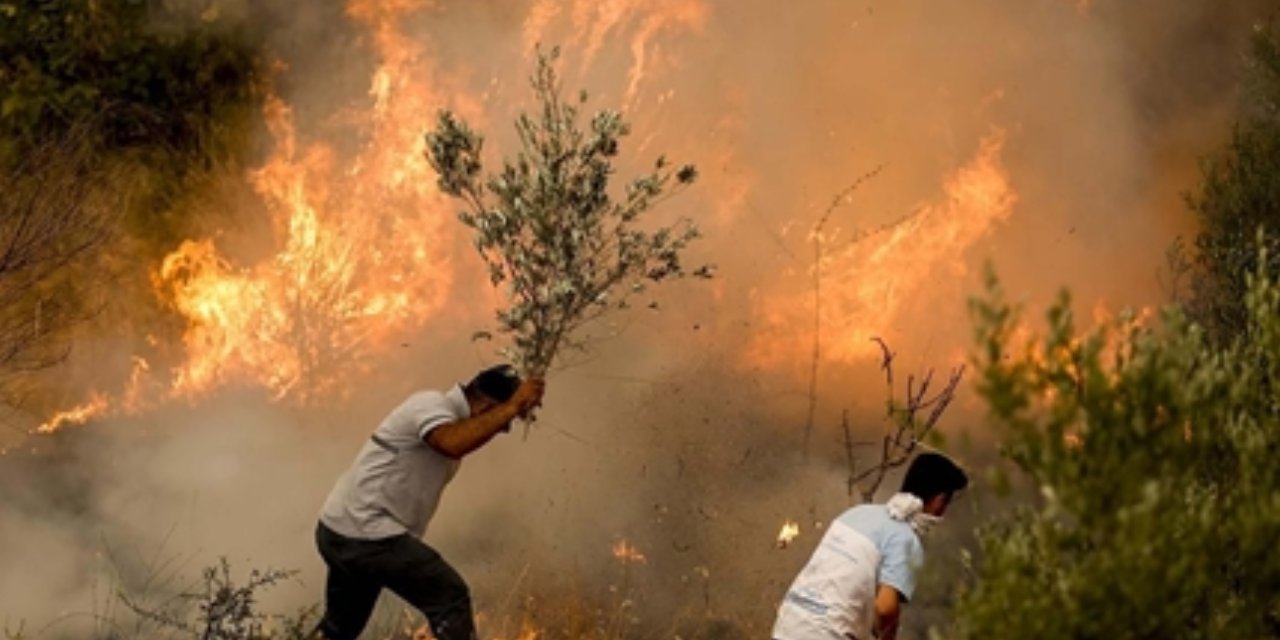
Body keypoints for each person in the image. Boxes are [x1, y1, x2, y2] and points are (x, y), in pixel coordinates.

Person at [311, 364, 545, 640]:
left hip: (341, 529)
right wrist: (512, 406)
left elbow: (464, 438)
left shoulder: (447, 416)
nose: (504, 429)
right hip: (367, 534)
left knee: (340, 629)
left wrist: (512, 407)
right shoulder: (430, 404)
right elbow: (451, 442)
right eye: (504, 420)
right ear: (485, 405)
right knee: (450, 597)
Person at [772, 452, 969, 640]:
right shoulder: (907, 540)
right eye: (946, 503)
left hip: (788, 623)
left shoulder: (857, 513)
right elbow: (885, 608)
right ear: (939, 500)